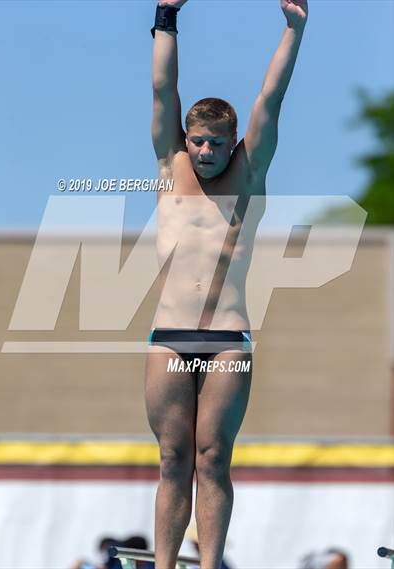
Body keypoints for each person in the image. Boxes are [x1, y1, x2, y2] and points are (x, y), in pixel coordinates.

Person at [144, 1, 308, 568]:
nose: (206, 152)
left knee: (212, 456)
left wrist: (294, 28)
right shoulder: (171, 166)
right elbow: (164, 91)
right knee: (172, 458)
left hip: (226, 341)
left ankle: (209, 562)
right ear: (186, 140)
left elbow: (272, 97)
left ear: (234, 140)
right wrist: (165, 16)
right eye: (198, 141)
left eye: (217, 142)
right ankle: (166, 565)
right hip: (169, 336)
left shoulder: (250, 172)